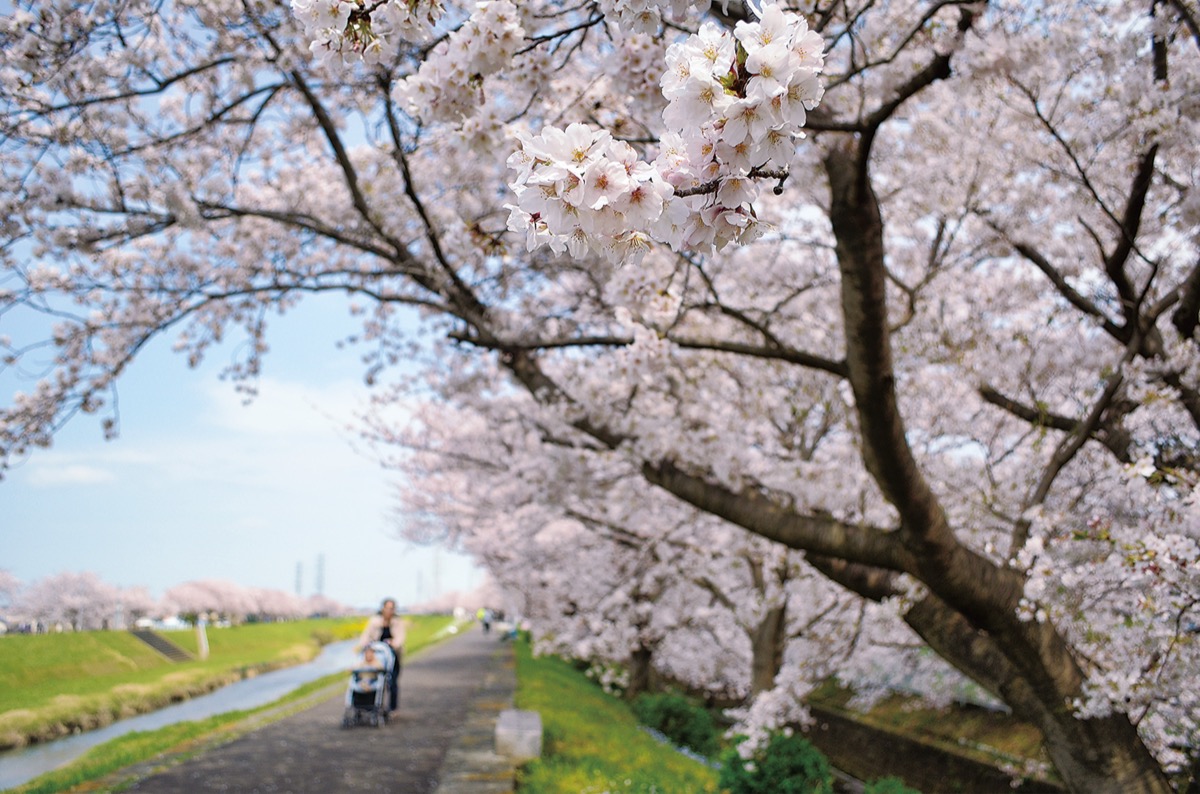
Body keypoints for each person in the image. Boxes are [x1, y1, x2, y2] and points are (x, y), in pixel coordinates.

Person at [358, 598, 409, 714]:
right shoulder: (375, 621)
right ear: (382, 608)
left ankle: (392, 708)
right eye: (387, 608)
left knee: (393, 682)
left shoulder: (397, 622)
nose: (389, 611)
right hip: (377, 657)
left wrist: (394, 643)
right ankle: (372, 705)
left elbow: (400, 638)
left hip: (393, 656)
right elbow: (366, 636)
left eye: (392, 608)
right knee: (373, 680)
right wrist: (365, 647)